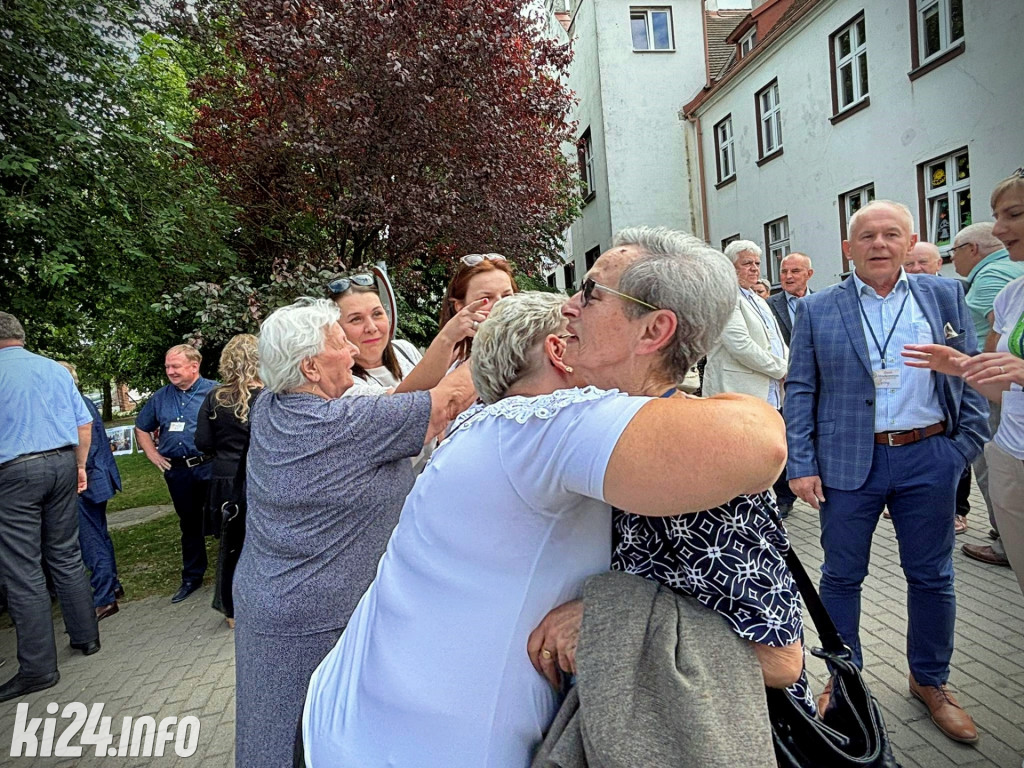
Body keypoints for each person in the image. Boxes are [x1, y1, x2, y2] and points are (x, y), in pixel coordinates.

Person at [301, 286, 789, 767]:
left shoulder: (480, 427)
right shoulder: (543, 425)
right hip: (437, 745)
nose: (584, 327)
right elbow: (759, 441)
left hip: (353, 715)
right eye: (577, 331)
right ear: (558, 351)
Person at [530, 227, 810, 708]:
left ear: (654, 331)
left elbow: (780, 658)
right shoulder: (608, 427)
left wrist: (605, 618)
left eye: (592, 293)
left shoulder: (690, 460)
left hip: (708, 733)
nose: (568, 306)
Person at [233, 298, 476, 768]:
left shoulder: (272, 407)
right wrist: (494, 341)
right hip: (315, 619)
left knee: (271, 729)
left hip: (272, 602)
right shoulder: (341, 425)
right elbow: (445, 402)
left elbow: (396, 404)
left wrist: (447, 340)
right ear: (310, 365)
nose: (352, 350)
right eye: (340, 341)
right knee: (307, 740)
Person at [785, 200, 989, 744]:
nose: (879, 243)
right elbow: (801, 389)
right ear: (848, 248)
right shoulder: (819, 308)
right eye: (867, 235)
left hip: (929, 457)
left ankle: (931, 681)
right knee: (842, 576)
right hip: (849, 464)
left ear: (910, 241)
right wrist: (801, 465)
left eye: (890, 234)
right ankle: (843, 681)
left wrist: (963, 446)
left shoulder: (945, 295)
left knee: (932, 576)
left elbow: (970, 372)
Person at [904, 170, 1024, 600]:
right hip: (1011, 456)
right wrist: (960, 367)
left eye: (1013, 214)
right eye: (996, 215)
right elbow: (996, 387)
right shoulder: (1011, 294)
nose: (999, 229)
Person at [0, 313, 99, 703]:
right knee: (65, 553)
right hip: (61, 462)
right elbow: (84, 423)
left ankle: (38, 668)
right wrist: (79, 465)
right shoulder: (54, 369)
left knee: (22, 569)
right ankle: (86, 637)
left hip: (13, 471)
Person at [950, 221, 1024, 564]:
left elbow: (998, 343)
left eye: (1012, 213)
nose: (1000, 226)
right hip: (1007, 416)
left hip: (1000, 400)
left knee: (987, 467)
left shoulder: (990, 277)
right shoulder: (1012, 281)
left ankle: (1004, 542)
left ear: (971, 250)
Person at [705, 239, 794, 516]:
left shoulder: (757, 298)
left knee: (766, 452)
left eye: (757, 263)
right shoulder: (725, 298)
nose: (754, 269)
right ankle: (733, 510)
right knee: (739, 456)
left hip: (767, 391)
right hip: (737, 390)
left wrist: (793, 365)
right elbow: (741, 345)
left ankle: (763, 506)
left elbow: (775, 341)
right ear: (730, 268)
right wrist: (783, 369)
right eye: (747, 263)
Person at [135, 345, 217, 604]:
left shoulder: (215, 391)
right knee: (189, 524)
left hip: (211, 466)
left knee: (224, 520)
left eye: (176, 366)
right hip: (179, 471)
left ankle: (233, 578)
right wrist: (153, 455)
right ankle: (192, 577)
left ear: (194, 366)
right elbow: (141, 427)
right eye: (168, 367)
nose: (170, 371)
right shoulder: (161, 397)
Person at [194, 334, 262, 628]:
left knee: (231, 549)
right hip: (258, 476)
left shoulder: (215, 397)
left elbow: (202, 441)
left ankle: (232, 611)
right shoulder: (269, 396)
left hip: (224, 478)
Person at [57, 362, 123, 621]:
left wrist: (78, 473)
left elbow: (88, 445)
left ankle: (104, 598)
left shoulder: (74, 404)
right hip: (97, 478)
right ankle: (112, 587)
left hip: (86, 481)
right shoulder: (82, 400)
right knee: (99, 536)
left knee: (91, 540)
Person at [438, 252, 518, 365]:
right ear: (460, 307)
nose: (501, 304)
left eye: (506, 296)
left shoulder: (537, 350)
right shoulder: (446, 365)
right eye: (486, 298)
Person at [767, 252, 814, 345]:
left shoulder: (823, 303)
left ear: (809, 274)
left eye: (795, 271)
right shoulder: (768, 305)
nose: (788, 276)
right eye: (784, 272)